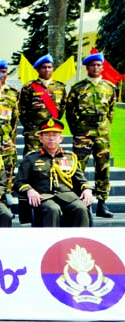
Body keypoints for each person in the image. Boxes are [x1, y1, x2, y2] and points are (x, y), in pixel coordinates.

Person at [14, 118, 93, 227]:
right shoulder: (31, 159)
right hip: (43, 197)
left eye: (55, 135)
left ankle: (80, 241)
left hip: (67, 196)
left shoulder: (70, 157)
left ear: (61, 138)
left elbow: (81, 180)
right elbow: (19, 182)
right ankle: (51, 243)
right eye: (47, 135)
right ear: (40, 138)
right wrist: (29, 190)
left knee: (81, 208)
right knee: (52, 209)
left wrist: (87, 189)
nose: (51, 138)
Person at [65, 52, 117, 218]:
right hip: (83, 131)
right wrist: (78, 130)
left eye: (98, 65)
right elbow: (70, 113)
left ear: (102, 67)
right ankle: (78, 203)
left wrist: (104, 126)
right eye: (92, 65)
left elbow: (111, 110)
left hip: (102, 131)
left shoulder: (109, 87)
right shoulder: (78, 88)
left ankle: (102, 203)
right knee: (78, 167)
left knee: (103, 167)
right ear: (87, 68)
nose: (95, 68)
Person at [20, 54, 68, 155]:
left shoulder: (60, 87)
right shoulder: (29, 87)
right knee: (31, 159)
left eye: (49, 67)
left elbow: (62, 107)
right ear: (37, 69)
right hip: (34, 131)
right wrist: (30, 126)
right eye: (44, 67)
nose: (47, 70)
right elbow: (22, 109)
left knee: (52, 159)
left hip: (52, 130)